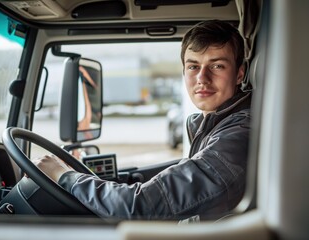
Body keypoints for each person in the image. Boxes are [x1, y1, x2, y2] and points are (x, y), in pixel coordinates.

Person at [33, 20, 251, 221]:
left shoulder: (238, 136)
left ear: (240, 74)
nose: (202, 78)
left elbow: (137, 206)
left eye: (217, 66)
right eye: (193, 66)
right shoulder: (215, 125)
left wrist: (63, 175)